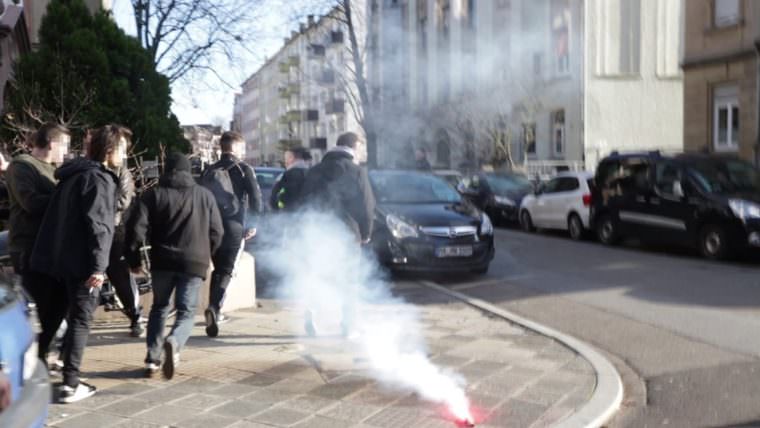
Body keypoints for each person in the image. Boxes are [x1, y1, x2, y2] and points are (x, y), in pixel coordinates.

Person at [30, 125, 125, 403]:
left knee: (51, 319)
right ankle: (71, 383)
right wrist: (99, 266)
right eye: (122, 150)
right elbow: (99, 226)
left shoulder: (72, 176)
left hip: (58, 262)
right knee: (80, 320)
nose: (124, 156)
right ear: (110, 151)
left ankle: (32, 372)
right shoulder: (98, 179)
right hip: (82, 265)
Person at [126, 153, 223, 379]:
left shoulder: (153, 194)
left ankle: (152, 359)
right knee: (186, 311)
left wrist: (133, 260)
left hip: (162, 261)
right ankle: (175, 341)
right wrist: (209, 254)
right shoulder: (204, 196)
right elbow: (217, 231)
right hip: (194, 261)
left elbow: (135, 229)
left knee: (159, 307)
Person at [300, 132, 376, 336]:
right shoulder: (357, 171)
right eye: (360, 148)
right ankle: (347, 326)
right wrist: (366, 233)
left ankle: (311, 319)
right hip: (348, 236)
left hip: (316, 232)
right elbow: (367, 206)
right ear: (354, 147)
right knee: (349, 280)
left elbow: (304, 203)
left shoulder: (315, 170)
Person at [6, 123, 70, 364]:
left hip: (51, 248)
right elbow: (30, 202)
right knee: (38, 306)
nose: (66, 151)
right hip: (28, 247)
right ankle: (23, 361)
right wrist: (64, 196)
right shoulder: (21, 166)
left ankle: (39, 355)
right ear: (52, 143)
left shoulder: (53, 169)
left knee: (60, 301)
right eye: (65, 145)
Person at [202, 132, 262, 338]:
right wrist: (253, 224)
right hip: (235, 226)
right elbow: (256, 198)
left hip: (212, 226)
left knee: (217, 268)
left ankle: (213, 308)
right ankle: (215, 308)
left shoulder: (210, 169)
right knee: (227, 271)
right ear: (236, 148)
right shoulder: (244, 169)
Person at [102, 128, 143, 337]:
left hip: (115, 231)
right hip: (95, 231)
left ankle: (135, 315)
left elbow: (123, 201)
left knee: (121, 278)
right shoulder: (94, 170)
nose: (124, 154)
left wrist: (98, 207)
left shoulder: (122, 174)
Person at [270, 147, 309, 211]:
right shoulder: (311, 173)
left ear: (292, 158)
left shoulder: (286, 175)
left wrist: (276, 211)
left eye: (286, 158)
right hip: (307, 213)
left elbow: (275, 195)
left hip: (288, 213)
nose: (285, 161)